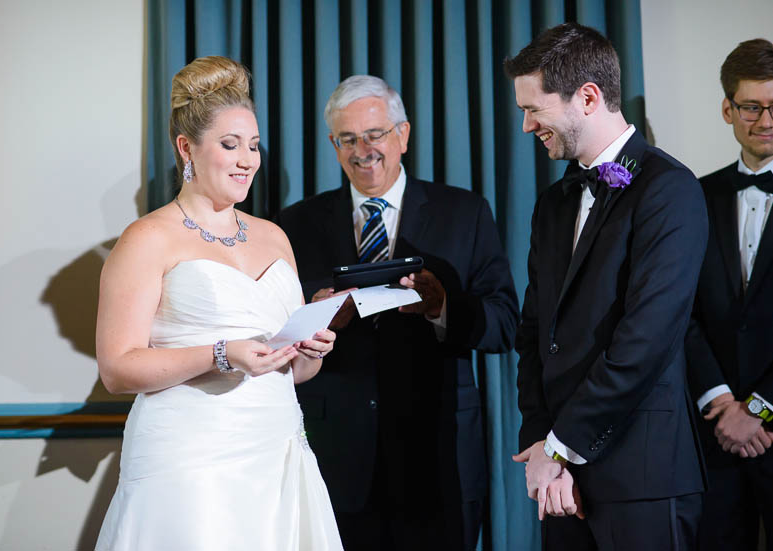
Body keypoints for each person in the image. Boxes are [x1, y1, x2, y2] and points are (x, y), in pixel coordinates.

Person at [94, 56, 342, 551]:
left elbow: (285, 370)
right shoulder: (148, 238)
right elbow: (117, 368)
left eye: (253, 146)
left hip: (277, 455)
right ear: (187, 148)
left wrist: (308, 352)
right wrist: (222, 353)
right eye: (230, 146)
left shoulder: (274, 238)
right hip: (190, 461)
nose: (248, 160)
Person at [276, 75, 519, 551]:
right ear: (333, 144)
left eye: (375, 134)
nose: (363, 149)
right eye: (348, 139)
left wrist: (441, 307)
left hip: (437, 457)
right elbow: (278, 331)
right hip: (336, 456)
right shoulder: (295, 224)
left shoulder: (463, 212)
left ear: (403, 135)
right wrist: (319, 317)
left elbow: (504, 324)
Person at [506, 23, 708, 550]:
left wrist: (563, 446)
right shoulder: (552, 205)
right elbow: (534, 333)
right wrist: (539, 442)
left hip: (641, 477)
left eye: (534, 109)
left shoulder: (670, 190)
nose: (526, 126)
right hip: (558, 483)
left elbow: (645, 340)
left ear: (588, 97)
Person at [685, 38, 773, 551]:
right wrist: (721, 403)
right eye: (751, 106)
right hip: (712, 438)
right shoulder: (694, 195)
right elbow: (682, 312)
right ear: (728, 108)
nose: (765, 119)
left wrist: (756, 412)